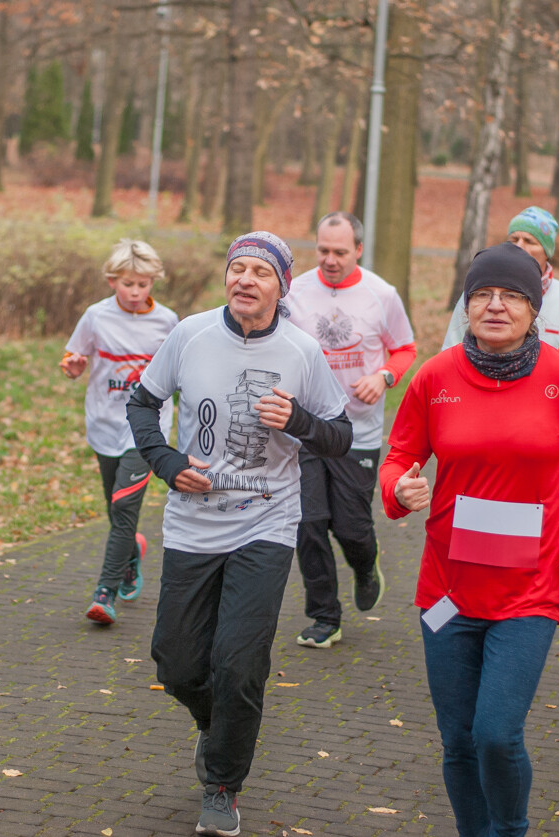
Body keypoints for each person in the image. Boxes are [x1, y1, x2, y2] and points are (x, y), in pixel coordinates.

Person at [378, 242, 559, 837]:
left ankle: (509, 830)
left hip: (528, 590)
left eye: (512, 295)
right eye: (482, 294)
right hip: (447, 592)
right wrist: (397, 490)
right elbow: (401, 456)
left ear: (536, 308)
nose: (495, 306)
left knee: (495, 733)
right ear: (467, 304)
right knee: (458, 740)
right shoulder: (434, 376)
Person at [126, 232, 351, 836]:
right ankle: (216, 723)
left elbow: (340, 436)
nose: (246, 280)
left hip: (267, 522)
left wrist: (298, 421)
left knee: (240, 662)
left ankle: (223, 783)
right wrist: (168, 465)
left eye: (261, 273)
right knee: (174, 663)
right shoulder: (190, 334)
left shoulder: (302, 351)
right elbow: (141, 404)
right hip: (193, 526)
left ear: (282, 287)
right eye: (238, 269)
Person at [284, 212, 416, 648]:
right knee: (308, 523)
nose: (330, 260)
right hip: (305, 428)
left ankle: (365, 562)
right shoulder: (295, 291)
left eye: (339, 252)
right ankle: (324, 616)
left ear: (358, 249)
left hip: (357, 430)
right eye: (322, 250)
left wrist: (384, 377)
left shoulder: (381, 294)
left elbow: (404, 349)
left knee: (351, 527)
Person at [60, 239, 177, 626]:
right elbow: (73, 355)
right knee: (116, 506)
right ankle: (132, 553)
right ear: (113, 281)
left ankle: (104, 594)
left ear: (153, 283)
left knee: (125, 505)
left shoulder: (168, 321)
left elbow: (181, 371)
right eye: (128, 283)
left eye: (143, 284)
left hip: (146, 428)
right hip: (104, 423)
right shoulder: (96, 316)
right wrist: (73, 366)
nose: (135, 292)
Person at [442, 206, 559, 362]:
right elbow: (450, 352)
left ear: (547, 252)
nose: (519, 246)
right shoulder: (478, 293)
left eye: (530, 241)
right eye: (514, 239)